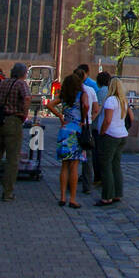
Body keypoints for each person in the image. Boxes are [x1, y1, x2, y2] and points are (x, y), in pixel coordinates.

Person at [0, 63, 30, 202]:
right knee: (12, 159)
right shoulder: (21, 84)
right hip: (13, 121)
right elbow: (27, 98)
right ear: (23, 73)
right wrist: (24, 114)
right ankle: (7, 192)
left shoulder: (1, 83)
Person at [47, 72, 88, 207]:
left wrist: (60, 115)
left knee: (64, 166)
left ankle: (63, 197)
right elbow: (87, 106)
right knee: (74, 166)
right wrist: (83, 119)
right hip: (76, 131)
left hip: (64, 131)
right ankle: (73, 199)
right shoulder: (81, 95)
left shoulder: (64, 96)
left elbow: (50, 104)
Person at [95, 77, 129, 205]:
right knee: (116, 165)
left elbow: (107, 120)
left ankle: (107, 196)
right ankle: (117, 194)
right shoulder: (123, 101)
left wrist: (102, 131)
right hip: (122, 135)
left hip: (111, 135)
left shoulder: (110, 100)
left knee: (106, 166)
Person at [77, 67, 99, 194]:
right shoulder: (90, 90)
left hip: (72, 126)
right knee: (87, 157)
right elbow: (95, 109)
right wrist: (89, 118)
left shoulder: (71, 90)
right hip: (86, 126)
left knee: (71, 157)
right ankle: (87, 186)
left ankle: (70, 183)